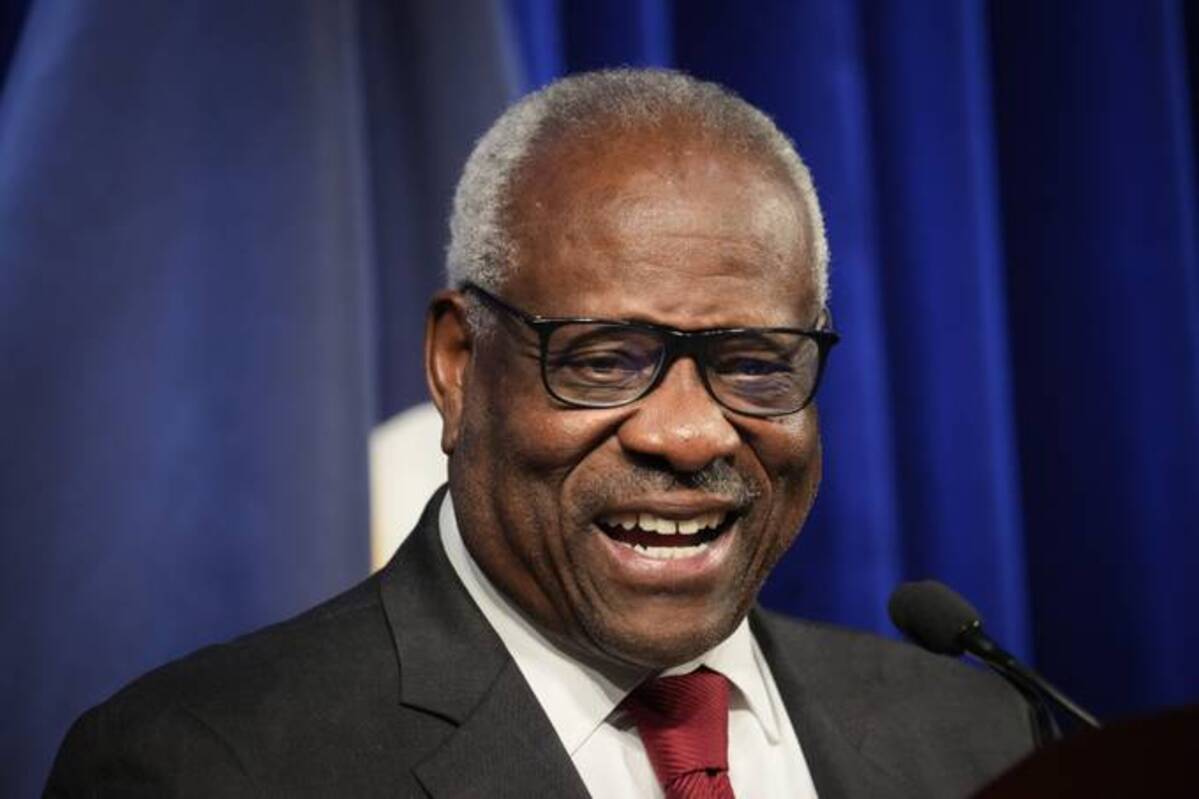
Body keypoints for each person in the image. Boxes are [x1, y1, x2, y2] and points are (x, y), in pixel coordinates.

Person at [46, 69, 1034, 798]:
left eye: (749, 361)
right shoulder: (205, 766)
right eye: (603, 357)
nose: (689, 434)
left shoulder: (977, 740)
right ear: (457, 364)